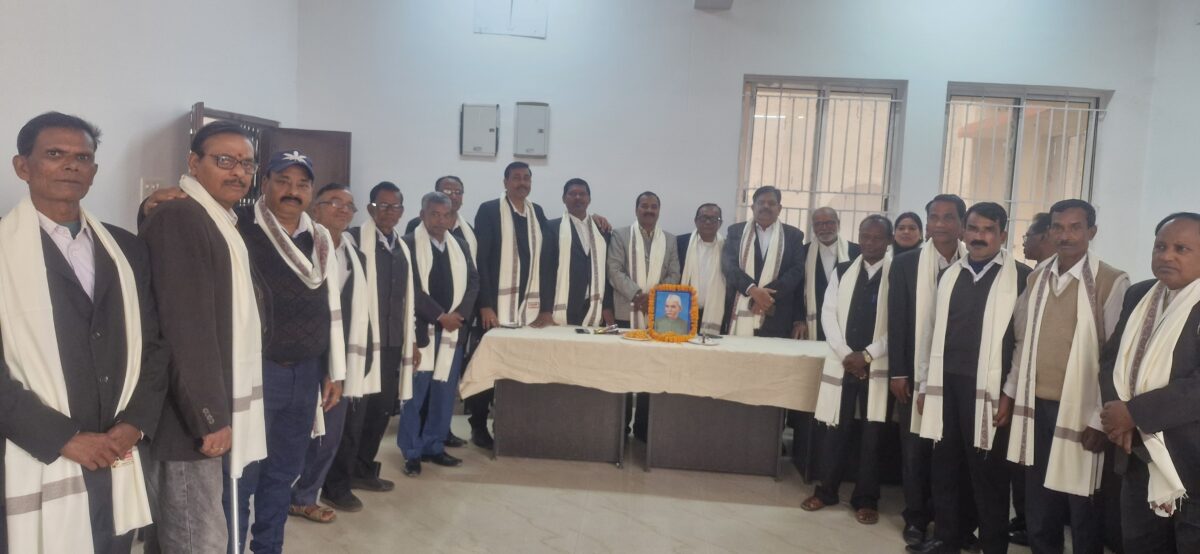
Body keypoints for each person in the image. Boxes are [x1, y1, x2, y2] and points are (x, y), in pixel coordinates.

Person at [0, 112, 167, 554]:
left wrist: (135, 424)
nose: (71, 165)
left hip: (117, 452)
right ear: (22, 166)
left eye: (83, 157)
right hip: (32, 453)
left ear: (94, 171)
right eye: (55, 154)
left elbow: (154, 346)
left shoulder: (126, 248)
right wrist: (64, 438)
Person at [139, 120, 268, 553]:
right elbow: (182, 328)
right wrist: (208, 416)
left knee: (179, 534)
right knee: (198, 538)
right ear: (193, 163)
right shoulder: (180, 216)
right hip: (184, 420)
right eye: (224, 160)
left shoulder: (218, 219)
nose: (238, 172)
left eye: (247, 164)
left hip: (196, 408)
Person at [1003, 199, 1129, 554]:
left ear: (1092, 232)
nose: (1066, 235)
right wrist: (1010, 393)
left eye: (1075, 227)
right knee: (1039, 501)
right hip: (1036, 405)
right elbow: (1022, 340)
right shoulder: (1037, 277)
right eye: (1058, 227)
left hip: (1082, 410)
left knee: (1082, 504)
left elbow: (1115, 358)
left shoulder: (1111, 281)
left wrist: (1099, 419)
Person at [913, 202, 1033, 554]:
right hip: (946, 385)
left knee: (989, 474)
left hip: (989, 391)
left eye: (988, 230)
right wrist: (925, 384)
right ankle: (948, 538)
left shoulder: (1020, 277)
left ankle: (993, 545)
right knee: (945, 467)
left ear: (1003, 235)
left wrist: (1009, 392)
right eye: (974, 229)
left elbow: (1024, 342)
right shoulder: (949, 274)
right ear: (963, 231)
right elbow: (930, 332)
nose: (979, 237)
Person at [1099, 212, 1200, 554]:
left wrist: (1135, 413)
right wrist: (1118, 417)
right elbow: (1111, 361)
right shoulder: (1139, 294)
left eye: (1181, 249)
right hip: (1138, 454)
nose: (1166, 255)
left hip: (1190, 458)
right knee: (1140, 543)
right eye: (1160, 246)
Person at [888, 194, 970, 547]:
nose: (940, 224)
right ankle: (916, 519)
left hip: (957, 375)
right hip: (915, 372)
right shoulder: (906, 264)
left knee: (951, 453)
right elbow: (897, 321)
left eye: (948, 217)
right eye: (934, 217)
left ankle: (950, 521)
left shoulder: (974, 262)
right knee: (915, 451)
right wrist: (898, 373)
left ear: (961, 224)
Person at [290, 183, 373, 522]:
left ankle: (305, 496)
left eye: (349, 205)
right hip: (304, 353)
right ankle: (282, 492)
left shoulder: (356, 255)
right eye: (334, 202)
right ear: (315, 208)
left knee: (331, 433)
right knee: (297, 430)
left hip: (340, 358)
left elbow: (361, 311)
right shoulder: (299, 246)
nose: (343, 209)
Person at [804, 215, 894, 526]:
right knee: (834, 429)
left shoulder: (898, 274)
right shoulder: (843, 270)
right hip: (844, 362)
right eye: (865, 237)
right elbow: (828, 314)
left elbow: (900, 323)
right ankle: (827, 491)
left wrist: (867, 355)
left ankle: (866, 498)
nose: (870, 243)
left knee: (872, 434)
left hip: (877, 364)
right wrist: (847, 355)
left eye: (877, 238)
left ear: (888, 241)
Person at [337, 182, 425, 494]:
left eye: (395, 207)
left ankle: (363, 470)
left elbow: (407, 298)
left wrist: (411, 340)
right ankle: (339, 482)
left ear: (402, 211)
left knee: (380, 412)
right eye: (382, 206)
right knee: (354, 416)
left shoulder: (401, 247)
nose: (389, 212)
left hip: (391, 343)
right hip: (361, 344)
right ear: (371, 208)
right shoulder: (352, 241)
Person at [397, 192, 479, 477]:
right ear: (422, 215)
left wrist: (459, 315)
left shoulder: (461, 245)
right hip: (422, 332)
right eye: (434, 214)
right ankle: (412, 452)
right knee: (414, 395)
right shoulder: (408, 244)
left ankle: (434, 445)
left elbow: (473, 282)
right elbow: (410, 288)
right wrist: (440, 316)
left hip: (452, 332)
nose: (441, 220)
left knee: (444, 394)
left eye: (446, 215)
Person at [470, 162, 549, 449]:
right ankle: (478, 424)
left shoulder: (537, 213)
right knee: (488, 369)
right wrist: (485, 305)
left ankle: (511, 425)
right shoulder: (489, 210)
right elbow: (481, 260)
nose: (522, 182)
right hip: (495, 308)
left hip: (528, 308)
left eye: (526, 178)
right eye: (516, 177)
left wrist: (544, 307)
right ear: (505, 182)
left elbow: (545, 260)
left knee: (519, 368)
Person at [608, 191, 681, 440]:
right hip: (625, 312)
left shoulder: (669, 240)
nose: (649, 210)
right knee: (623, 371)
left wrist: (654, 298)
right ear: (636, 209)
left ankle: (643, 428)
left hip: (658, 315)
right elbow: (614, 270)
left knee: (652, 370)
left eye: (653, 206)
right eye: (644, 206)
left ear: (659, 210)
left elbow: (674, 273)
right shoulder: (620, 235)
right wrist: (638, 294)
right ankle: (620, 427)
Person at [721, 186, 807, 338]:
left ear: (779, 208)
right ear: (753, 207)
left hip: (777, 315)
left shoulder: (794, 235)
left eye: (771, 203)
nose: (766, 206)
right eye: (761, 202)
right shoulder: (735, 231)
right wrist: (752, 290)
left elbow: (796, 271)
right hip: (741, 309)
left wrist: (764, 297)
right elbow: (729, 266)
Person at [532, 178, 615, 328]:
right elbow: (546, 272)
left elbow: (606, 272)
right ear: (564, 199)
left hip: (593, 305)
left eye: (582, 194)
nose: (578, 197)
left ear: (589, 199)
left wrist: (607, 306)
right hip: (562, 304)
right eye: (572, 194)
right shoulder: (551, 227)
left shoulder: (602, 230)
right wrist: (545, 310)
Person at [800, 207, 861, 340]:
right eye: (818, 224)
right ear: (813, 227)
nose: (824, 228)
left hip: (847, 322)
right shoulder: (803, 252)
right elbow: (797, 291)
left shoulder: (857, 252)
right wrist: (798, 320)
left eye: (829, 222)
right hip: (812, 323)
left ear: (838, 223)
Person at [678, 203, 729, 335]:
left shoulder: (728, 247)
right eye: (703, 217)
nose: (708, 222)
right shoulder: (680, 243)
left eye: (713, 219)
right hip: (683, 311)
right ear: (696, 221)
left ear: (720, 223)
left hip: (714, 313)